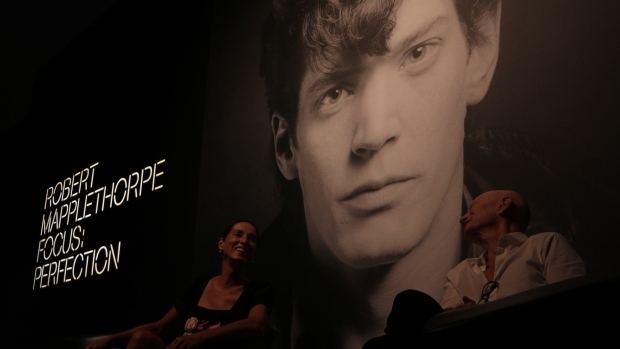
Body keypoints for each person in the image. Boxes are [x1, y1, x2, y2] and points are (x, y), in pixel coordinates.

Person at [259, 0, 502, 347]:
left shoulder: (561, 254)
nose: (374, 132)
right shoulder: (246, 306)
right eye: (335, 92)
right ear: (286, 147)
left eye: (418, 53)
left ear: (479, 50)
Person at [86, 220, 272, 349]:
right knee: (142, 339)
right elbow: (159, 326)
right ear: (221, 244)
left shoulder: (256, 290)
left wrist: (200, 338)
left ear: (254, 254)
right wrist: (110, 339)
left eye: (252, 238)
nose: (245, 241)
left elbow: (257, 324)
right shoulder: (200, 285)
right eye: (238, 234)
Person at [440, 190, 586, 309]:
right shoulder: (458, 274)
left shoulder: (546, 244)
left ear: (503, 204)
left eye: (471, 210)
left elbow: (575, 305)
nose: (462, 218)